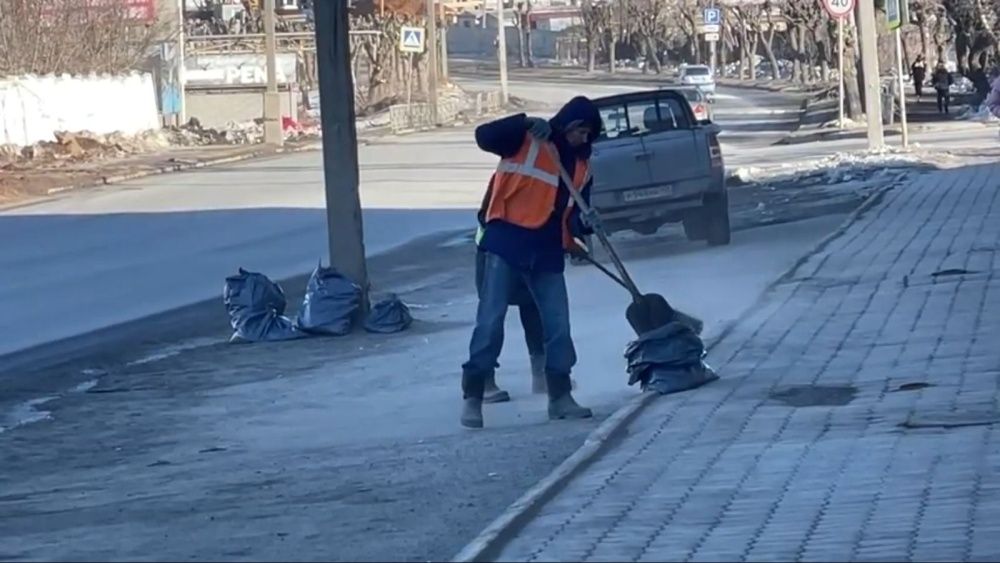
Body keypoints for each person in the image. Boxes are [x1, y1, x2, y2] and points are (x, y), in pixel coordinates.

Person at [460, 96, 603, 429]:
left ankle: (560, 397)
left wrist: (587, 223)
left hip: (547, 251)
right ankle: (473, 396)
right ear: (567, 124)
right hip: (507, 242)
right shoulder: (527, 140)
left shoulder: (583, 167)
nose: (583, 139)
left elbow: (572, 216)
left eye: (589, 135)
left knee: (558, 327)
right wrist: (523, 122)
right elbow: (483, 135)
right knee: (490, 321)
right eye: (580, 131)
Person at [474, 174, 548, 403]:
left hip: (529, 250)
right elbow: (486, 215)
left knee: (534, 309)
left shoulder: (548, 174)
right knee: (493, 316)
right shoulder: (509, 173)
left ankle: (541, 374)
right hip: (495, 252)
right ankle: (483, 382)